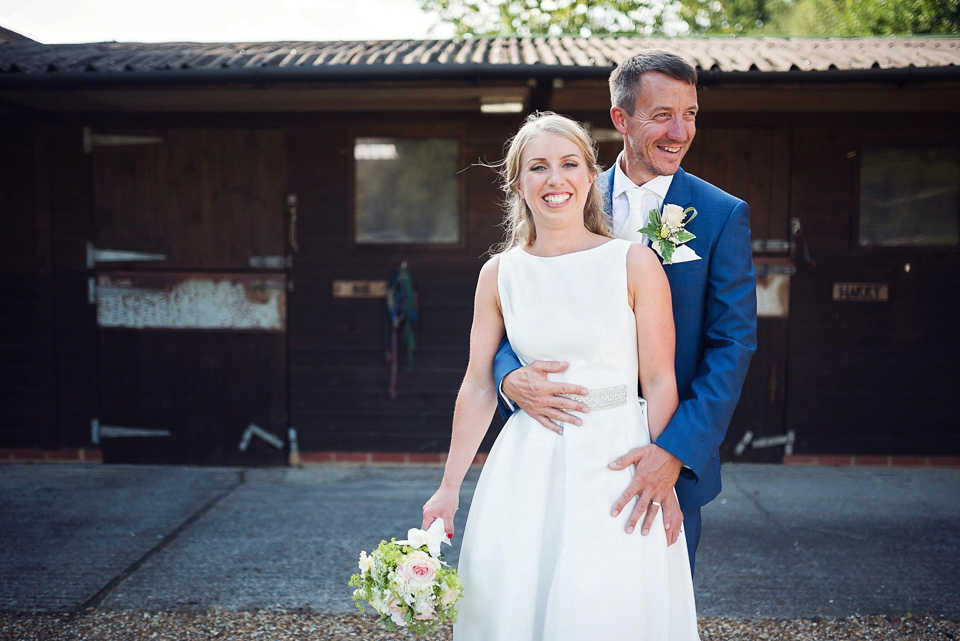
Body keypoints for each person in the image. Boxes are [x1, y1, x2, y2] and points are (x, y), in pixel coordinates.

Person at [421, 112, 700, 640]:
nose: (555, 180)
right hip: (527, 465)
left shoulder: (634, 262)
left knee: (605, 608)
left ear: (591, 175)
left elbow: (661, 379)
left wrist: (665, 476)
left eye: (569, 164)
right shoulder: (499, 273)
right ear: (517, 183)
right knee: (516, 602)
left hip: (619, 461)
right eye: (538, 168)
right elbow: (479, 383)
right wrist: (448, 487)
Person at [494, 50, 758, 574]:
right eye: (662, 115)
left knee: (648, 612)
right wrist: (508, 378)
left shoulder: (722, 214)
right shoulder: (566, 191)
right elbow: (519, 299)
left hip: (667, 455)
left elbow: (732, 345)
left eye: (691, 114)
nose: (680, 132)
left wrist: (676, 451)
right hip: (563, 447)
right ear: (622, 119)